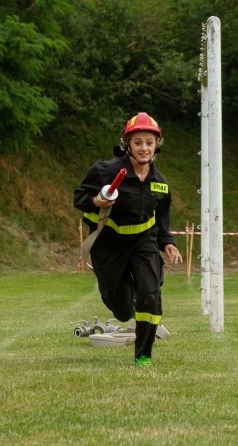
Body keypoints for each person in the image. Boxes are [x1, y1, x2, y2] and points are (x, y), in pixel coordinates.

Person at [73, 112, 182, 366]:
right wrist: (95, 201)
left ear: (157, 145)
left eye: (149, 142)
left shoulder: (160, 185)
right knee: (122, 310)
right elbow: (78, 197)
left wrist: (168, 242)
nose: (144, 148)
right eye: (138, 142)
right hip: (108, 244)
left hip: (144, 242)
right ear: (127, 144)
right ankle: (128, 296)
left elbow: (161, 219)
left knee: (150, 294)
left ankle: (143, 355)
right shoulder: (105, 171)